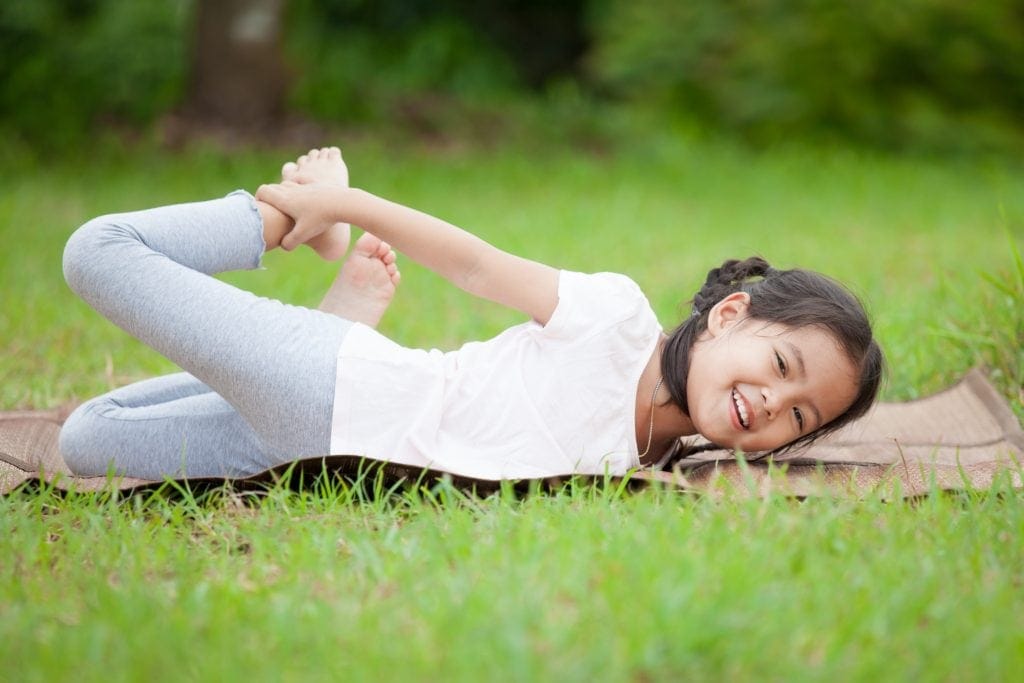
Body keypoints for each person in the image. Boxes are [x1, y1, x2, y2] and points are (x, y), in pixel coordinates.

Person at [59, 147, 884, 481]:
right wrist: (345, 201)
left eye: (799, 416)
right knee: (98, 251)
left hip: (304, 447)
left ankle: (336, 314)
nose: (773, 405)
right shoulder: (616, 318)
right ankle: (288, 221)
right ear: (730, 315)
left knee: (83, 441)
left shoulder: (664, 467)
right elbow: (477, 265)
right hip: (334, 385)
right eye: (783, 370)